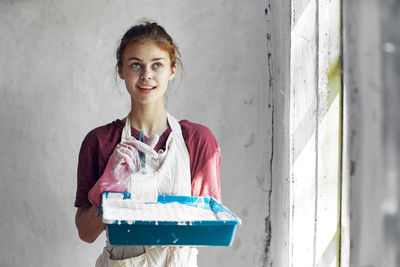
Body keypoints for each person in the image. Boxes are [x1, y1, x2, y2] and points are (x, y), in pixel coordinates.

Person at [74, 20, 221, 267]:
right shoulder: (100, 141)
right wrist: (109, 191)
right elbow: (86, 234)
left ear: (172, 70)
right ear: (121, 70)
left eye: (157, 65)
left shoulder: (197, 141)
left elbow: (208, 227)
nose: (146, 75)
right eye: (135, 65)